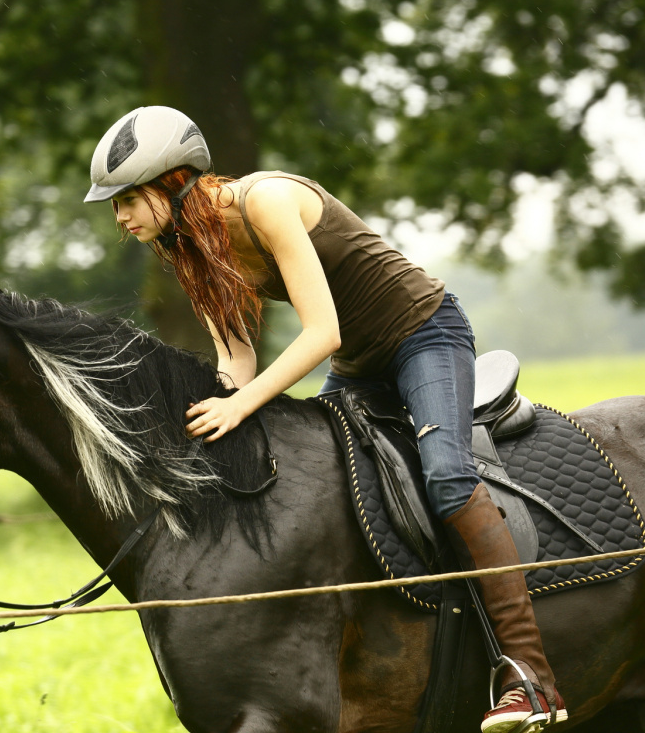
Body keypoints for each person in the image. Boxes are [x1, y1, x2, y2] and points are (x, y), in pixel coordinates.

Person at [83, 105, 567, 733]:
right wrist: (210, 411)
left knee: (447, 477)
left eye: (125, 199)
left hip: (423, 334)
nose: (119, 217)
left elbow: (322, 331)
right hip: (361, 364)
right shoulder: (189, 247)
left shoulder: (268, 202)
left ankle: (530, 674)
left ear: (170, 181)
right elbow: (235, 352)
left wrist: (244, 401)